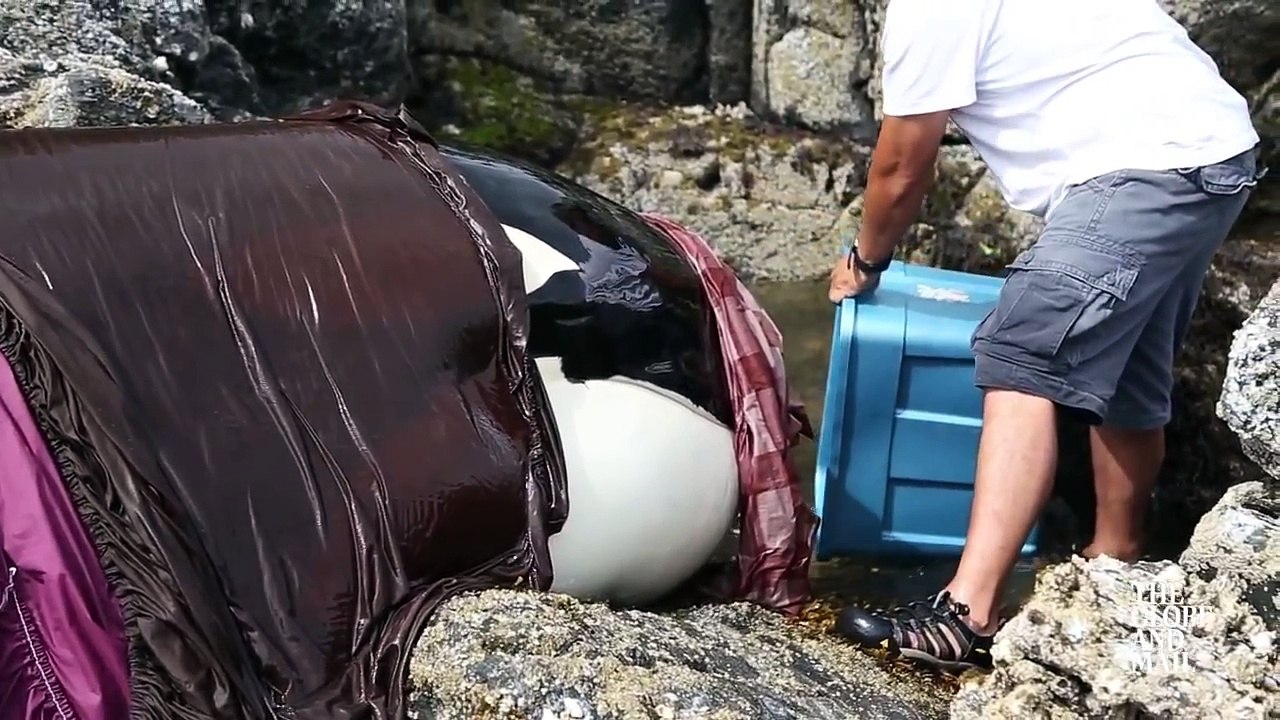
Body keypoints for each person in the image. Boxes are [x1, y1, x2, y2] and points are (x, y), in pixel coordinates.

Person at [827, 0, 1264, 672]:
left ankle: (967, 615)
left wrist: (866, 259)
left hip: (1145, 163)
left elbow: (901, 167)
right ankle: (1115, 563)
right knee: (1126, 368)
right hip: (1216, 150)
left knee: (1020, 349)